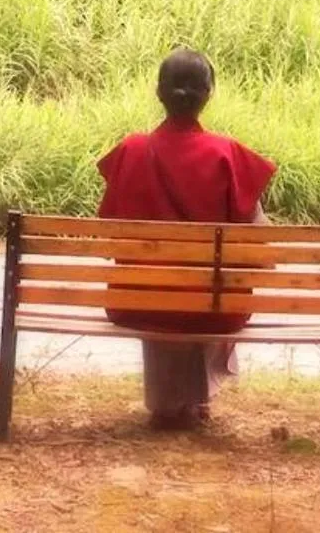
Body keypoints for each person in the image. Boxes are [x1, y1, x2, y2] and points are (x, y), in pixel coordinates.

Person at [95, 47, 277, 430]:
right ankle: (196, 400)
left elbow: (108, 231)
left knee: (161, 287)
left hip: (137, 303)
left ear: (159, 93)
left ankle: (167, 403)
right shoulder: (228, 154)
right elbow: (260, 245)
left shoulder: (130, 151)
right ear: (207, 94)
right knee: (213, 286)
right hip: (214, 308)